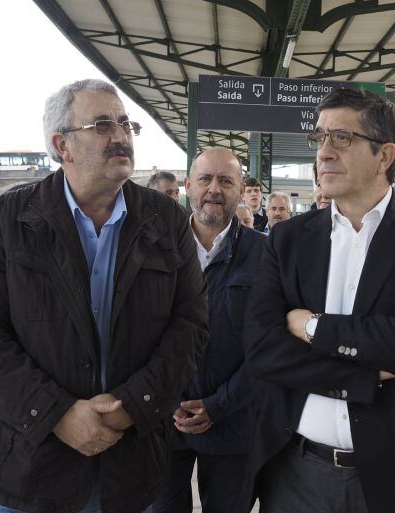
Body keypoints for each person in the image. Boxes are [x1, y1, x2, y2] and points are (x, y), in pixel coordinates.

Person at [0, 79, 208, 513]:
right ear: (61, 145)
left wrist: (133, 404)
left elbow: (190, 325)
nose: (122, 135)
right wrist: (55, 414)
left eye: (126, 124)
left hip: (130, 472)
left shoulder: (165, 219)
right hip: (29, 472)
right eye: (103, 124)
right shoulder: (9, 218)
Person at [242, 88, 395, 513]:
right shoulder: (289, 240)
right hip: (297, 470)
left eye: (341, 138)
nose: (324, 153)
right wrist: (366, 373)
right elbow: (261, 350)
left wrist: (312, 328)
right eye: (320, 138)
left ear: (384, 155)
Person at [154, 148, 265, 513]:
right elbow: (135, 336)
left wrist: (218, 406)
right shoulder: (154, 250)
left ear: (240, 190)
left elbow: (270, 346)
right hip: (162, 424)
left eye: (225, 181)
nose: (214, 189)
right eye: (205, 179)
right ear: (188, 186)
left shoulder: (266, 255)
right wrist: (166, 399)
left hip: (234, 424)